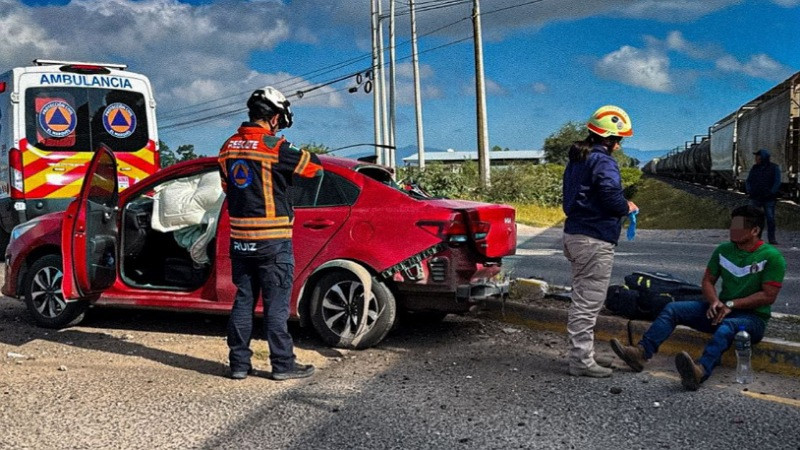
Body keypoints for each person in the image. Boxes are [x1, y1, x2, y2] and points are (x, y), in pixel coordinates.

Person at [611, 205, 786, 390]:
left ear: (755, 230)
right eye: (732, 225)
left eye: (739, 226)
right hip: (721, 310)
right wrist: (714, 301)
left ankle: (700, 370)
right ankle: (641, 353)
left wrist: (732, 305)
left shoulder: (771, 257)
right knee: (673, 309)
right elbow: (708, 281)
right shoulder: (723, 250)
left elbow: (769, 296)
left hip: (752, 319)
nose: (732, 230)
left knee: (728, 327)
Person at [218, 86, 323, 380]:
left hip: (240, 241)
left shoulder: (227, 147)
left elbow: (228, 188)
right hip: (273, 242)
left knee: (243, 301)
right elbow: (314, 168)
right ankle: (282, 365)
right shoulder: (275, 148)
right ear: (275, 118)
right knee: (276, 305)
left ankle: (239, 364)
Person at [562, 105, 638, 378]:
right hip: (594, 238)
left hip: (575, 234)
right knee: (587, 302)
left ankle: (581, 354)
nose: (620, 145)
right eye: (619, 140)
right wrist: (625, 206)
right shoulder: (603, 162)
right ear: (610, 139)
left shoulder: (578, 159)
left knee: (582, 298)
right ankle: (581, 360)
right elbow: (609, 196)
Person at [746, 149, 781, 245]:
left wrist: (772, 192)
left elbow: (777, 182)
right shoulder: (754, 168)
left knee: (770, 219)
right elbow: (749, 180)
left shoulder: (774, 168)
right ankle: (755, 237)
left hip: (768, 198)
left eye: (757, 156)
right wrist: (749, 190)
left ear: (763, 158)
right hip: (755, 197)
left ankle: (772, 238)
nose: (756, 158)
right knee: (754, 219)